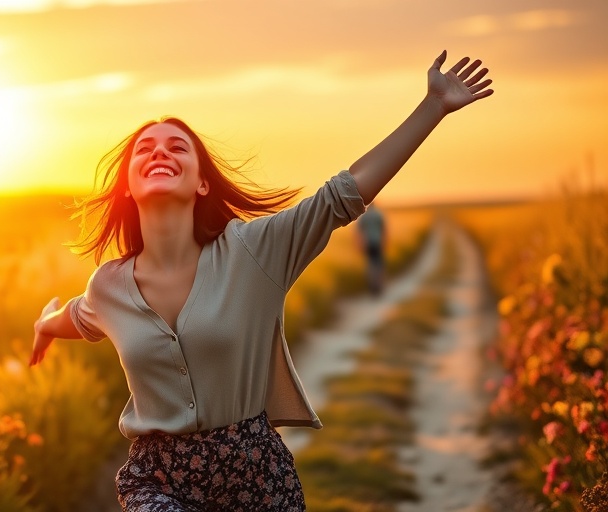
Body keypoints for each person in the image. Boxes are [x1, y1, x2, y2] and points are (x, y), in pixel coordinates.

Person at [30, 50, 493, 511]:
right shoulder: (108, 286)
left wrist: (433, 106)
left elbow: (346, 192)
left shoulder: (254, 251)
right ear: (128, 185)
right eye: (145, 149)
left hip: (255, 474)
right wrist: (45, 325)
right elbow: (79, 318)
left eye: (177, 146)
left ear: (202, 183)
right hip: (158, 479)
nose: (159, 152)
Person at [357, 203, 387, 296]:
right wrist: (384, 242)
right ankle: (379, 287)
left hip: (368, 243)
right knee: (378, 264)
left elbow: (359, 230)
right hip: (378, 242)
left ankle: (372, 287)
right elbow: (384, 229)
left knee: (370, 265)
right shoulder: (378, 214)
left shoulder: (364, 216)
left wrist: (361, 243)